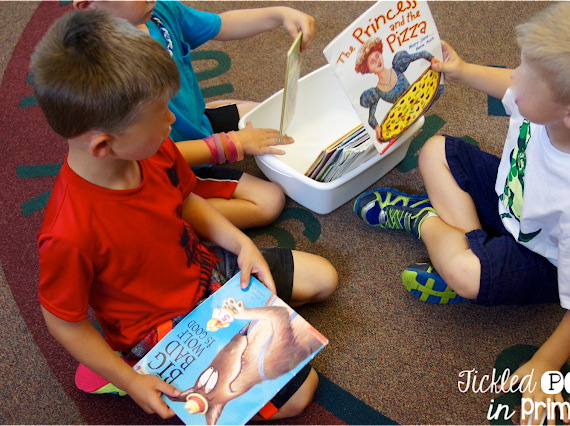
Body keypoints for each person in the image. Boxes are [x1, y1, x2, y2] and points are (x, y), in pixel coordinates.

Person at [32, 9, 337, 421]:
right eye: (160, 114)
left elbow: (187, 198)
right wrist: (130, 379)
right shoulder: (68, 233)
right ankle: (129, 365)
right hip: (161, 331)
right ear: (105, 146)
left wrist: (240, 242)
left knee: (324, 279)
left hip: (203, 274)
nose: (173, 120)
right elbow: (64, 323)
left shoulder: (151, 148)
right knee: (302, 394)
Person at [353, 2, 570, 424]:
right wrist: (464, 69)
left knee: (466, 275)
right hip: (511, 201)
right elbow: (510, 82)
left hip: (541, 258)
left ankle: (424, 220)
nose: (514, 78)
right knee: (434, 150)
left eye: (525, 77)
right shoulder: (548, 105)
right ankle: (467, 248)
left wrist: (545, 364)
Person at [73, 0, 317, 229]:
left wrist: (280, 14)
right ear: (87, 5)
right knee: (269, 201)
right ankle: (171, 212)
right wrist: (234, 143)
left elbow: (221, 24)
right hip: (170, 165)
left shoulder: (157, 12)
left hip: (196, 124)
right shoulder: (104, 76)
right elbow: (151, 158)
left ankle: (207, 115)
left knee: (266, 115)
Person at [356, 37, 435, 143]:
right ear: (368, 69)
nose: (377, 60)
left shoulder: (398, 64)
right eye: (372, 62)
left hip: (423, 102)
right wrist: (376, 128)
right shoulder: (375, 92)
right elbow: (371, 118)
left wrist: (432, 59)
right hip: (403, 120)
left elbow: (422, 53)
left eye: (377, 56)